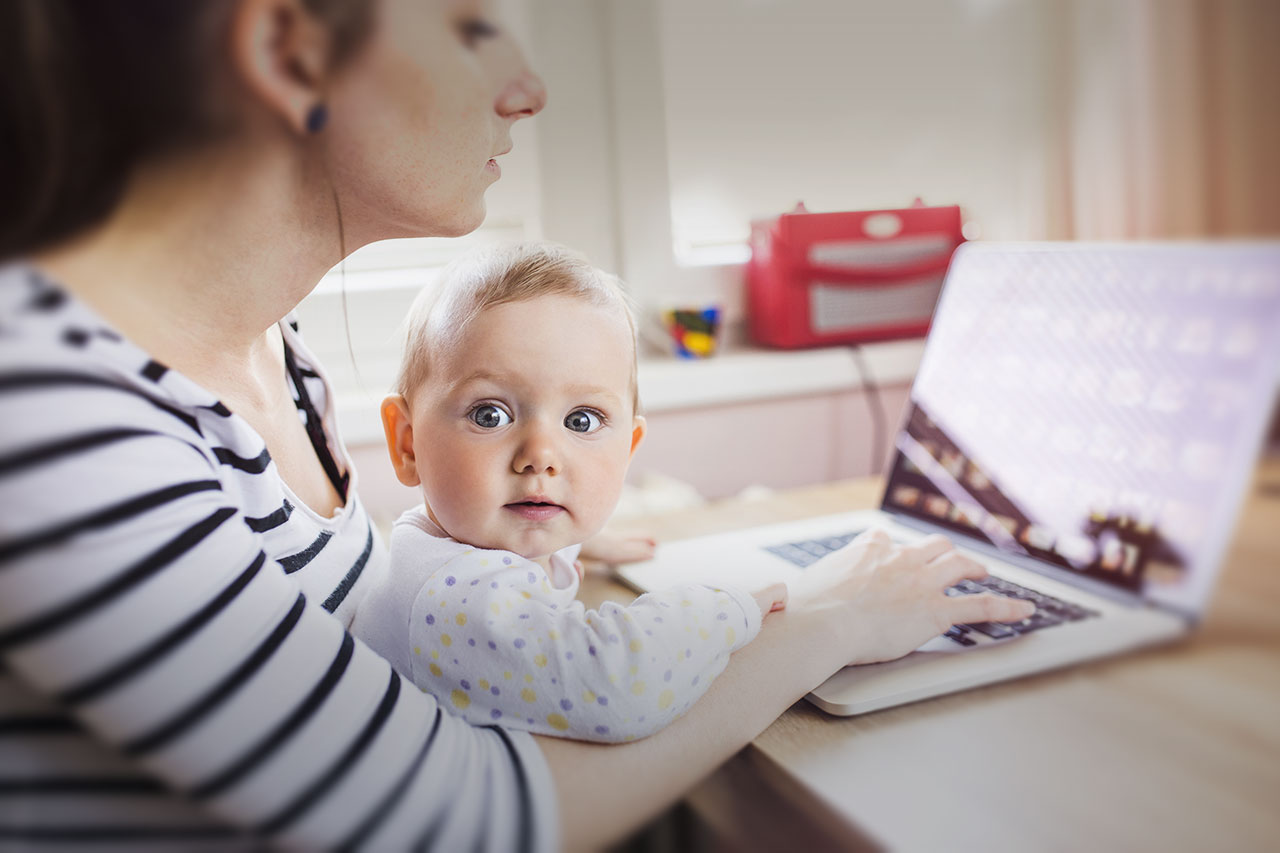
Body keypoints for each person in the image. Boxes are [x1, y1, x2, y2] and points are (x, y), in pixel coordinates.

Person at [0, 0, 1035, 849]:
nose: (526, 89)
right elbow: (463, 823)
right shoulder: (48, 408)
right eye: (470, 25)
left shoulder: (274, 352)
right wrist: (829, 621)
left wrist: (543, 548)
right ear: (289, 49)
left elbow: (352, 638)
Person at [352, 242, 788, 742]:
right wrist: (728, 608)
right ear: (408, 444)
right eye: (488, 414)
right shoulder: (454, 601)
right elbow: (620, 687)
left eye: (582, 420)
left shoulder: (448, 544)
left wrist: (575, 540)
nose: (541, 455)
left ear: (628, 448)